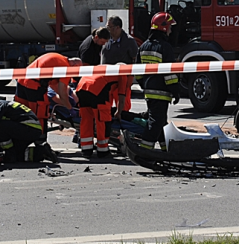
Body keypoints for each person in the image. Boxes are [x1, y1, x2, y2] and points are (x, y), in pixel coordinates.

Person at [135, 12, 180, 150]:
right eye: (170, 27)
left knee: (160, 121)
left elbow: (138, 72)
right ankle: (144, 149)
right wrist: (176, 91)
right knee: (155, 123)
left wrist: (146, 84)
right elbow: (170, 74)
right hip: (161, 92)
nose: (171, 31)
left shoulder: (143, 46)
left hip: (149, 92)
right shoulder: (165, 48)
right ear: (164, 28)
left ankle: (165, 148)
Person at [0, 93, 57, 163]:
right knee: (18, 155)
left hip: (28, 128)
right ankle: (42, 152)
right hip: (30, 129)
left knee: (0, 126)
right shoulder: (1, 104)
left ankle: (9, 154)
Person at [15, 53, 82, 138]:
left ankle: (20, 139)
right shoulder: (66, 68)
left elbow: (55, 85)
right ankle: (40, 141)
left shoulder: (57, 57)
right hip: (34, 86)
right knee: (40, 115)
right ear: (75, 66)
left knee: (22, 113)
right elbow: (62, 93)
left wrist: (68, 99)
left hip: (21, 81)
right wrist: (69, 108)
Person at [75, 68, 129, 158]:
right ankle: (103, 150)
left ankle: (86, 149)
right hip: (98, 91)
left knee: (86, 120)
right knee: (103, 120)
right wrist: (119, 112)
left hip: (81, 88)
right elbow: (121, 98)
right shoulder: (122, 74)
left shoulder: (104, 67)